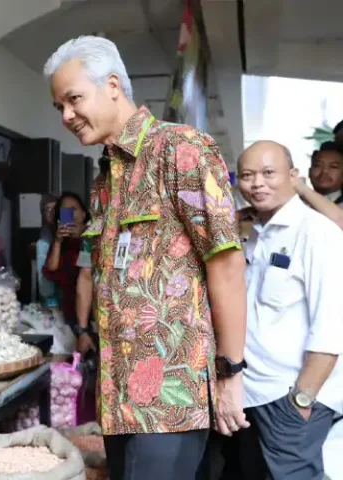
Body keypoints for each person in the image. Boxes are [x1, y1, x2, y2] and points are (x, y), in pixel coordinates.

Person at [43, 36, 248, 479]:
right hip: (118, 394)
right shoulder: (104, 178)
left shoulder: (180, 150)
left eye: (74, 99)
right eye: (59, 106)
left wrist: (231, 373)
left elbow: (226, 263)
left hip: (170, 398)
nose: (67, 116)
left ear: (112, 84)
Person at [233, 140, 342, 480]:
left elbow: (332, 325)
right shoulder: (253, 233)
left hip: (290, 396)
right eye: (247, 175)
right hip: (251, 394)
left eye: (269, 173)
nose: (257, 183)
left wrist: (302, 400)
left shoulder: (316, 232)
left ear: (293, 176)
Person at [42, 192, 93, 344]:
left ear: (84, 214)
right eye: (65, 211)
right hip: (69, 309)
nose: (70, 214)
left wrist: (86, 234)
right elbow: (51, 269)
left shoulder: (94, 236)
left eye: (74, 209)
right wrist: (58, 241)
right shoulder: (60, 243)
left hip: (92, 306)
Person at [295, 141, 343, 228]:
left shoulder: (304, 192)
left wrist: (304, 190)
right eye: (318, 165)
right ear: (309, 172)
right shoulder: (296, 202)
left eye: (333, 166)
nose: (324, 171)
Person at [36, 194, 59, 306]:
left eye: (55, 208)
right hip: (52, 292)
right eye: (47, 210)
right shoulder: (45, 237)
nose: (51, 212)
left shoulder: (72, 229)